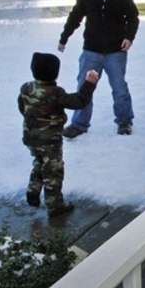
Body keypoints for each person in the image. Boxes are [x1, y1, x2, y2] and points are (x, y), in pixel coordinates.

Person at [58, 0, 139, 137]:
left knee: (120, 88)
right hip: (91, 51)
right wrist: (64, 38)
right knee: (84, 88)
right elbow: (75, 17)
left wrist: (128, 37)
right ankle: (79, 124)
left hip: (115, 52)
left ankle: (124, 122)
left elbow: (133, 18)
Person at [18, 52, 99, 217]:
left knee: (39, 162)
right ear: (55, 73)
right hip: (50, 141)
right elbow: (79, 102)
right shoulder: (55, 93)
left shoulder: (26, 88)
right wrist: (89, 84)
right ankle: (55, 205)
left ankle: (33, 192)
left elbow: (22, 107)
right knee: (53, 171)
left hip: (30, 136)